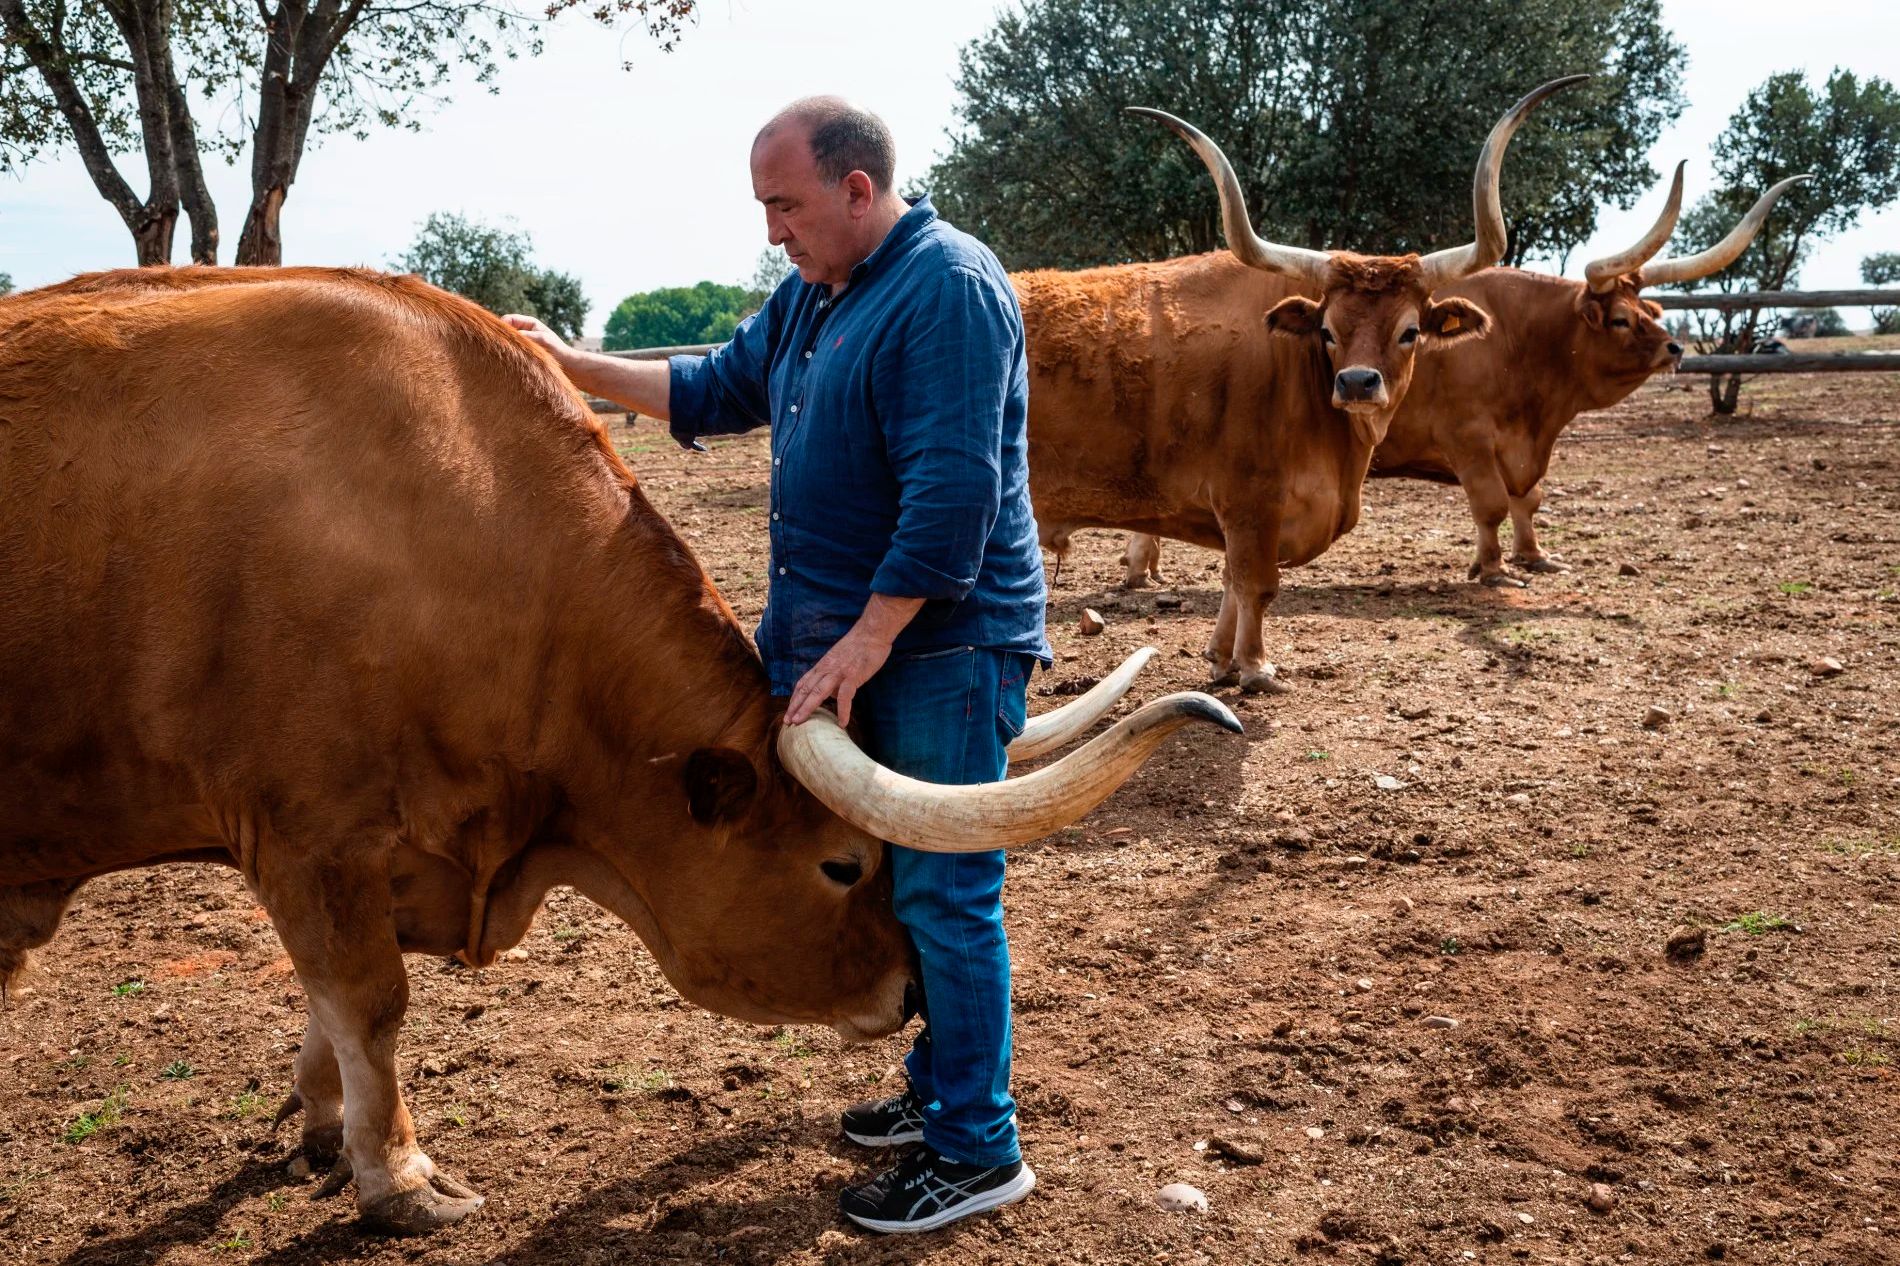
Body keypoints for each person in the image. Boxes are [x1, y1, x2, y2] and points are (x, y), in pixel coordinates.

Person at [504, 96, 1049, 1235]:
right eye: (764, 208)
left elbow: (956, 501)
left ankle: (978, 1145)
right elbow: (709, 390)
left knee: (950, 894)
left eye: (785, 205)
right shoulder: (816, 297)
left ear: (859, 190)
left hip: (938, 647)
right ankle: (939, 1093)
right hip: (851, 653)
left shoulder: (946, 287)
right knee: (900, 880)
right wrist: (563, 365)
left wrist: (864, 640)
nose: (771, 233)